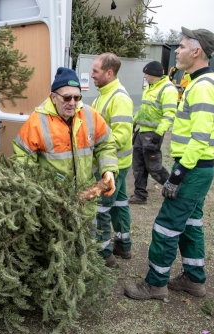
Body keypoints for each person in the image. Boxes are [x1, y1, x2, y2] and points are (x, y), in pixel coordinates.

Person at [124, 27, 214, 300]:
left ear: (196, 50)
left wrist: (177, 174)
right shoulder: (202, 82)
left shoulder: (202, 87)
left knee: (166, 226)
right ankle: (194, 279)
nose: (176, 51)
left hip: (193, 168)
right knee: (191, 223)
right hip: (199, 168)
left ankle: (155, 284)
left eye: (180, 46)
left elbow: (200, 139)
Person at [11, 67, 119, 266]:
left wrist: (108, 169)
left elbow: (106, 143)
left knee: (85, 242)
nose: (73, 103)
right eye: (67, 98)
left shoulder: (89, 115)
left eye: (77, 98)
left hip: (86, 199)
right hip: (54, 202)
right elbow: (22, 159)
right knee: (56, 248)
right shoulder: (37, 122)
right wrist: (36, 189)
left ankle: (84, 274)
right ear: (53, 96)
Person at [90, 52, 134, 265]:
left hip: (111, 166)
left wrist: (93, 145)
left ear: (109, 73)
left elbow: (122, 136)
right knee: (120, 204)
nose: (91, 75)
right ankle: (123, 246)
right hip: (118, 165)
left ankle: (104, 253)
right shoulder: (103, 95)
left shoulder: (119, 98)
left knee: (101, 207)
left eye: (95, 71)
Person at [129, 61, 178, 204]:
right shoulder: (150, 88)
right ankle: (140, 195)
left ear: (155, 74)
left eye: (146, 73)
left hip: (153, 134)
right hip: (141, 132)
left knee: (153, 167)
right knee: (138, 166)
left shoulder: (168, 89)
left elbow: (169, 114)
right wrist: (133, 123)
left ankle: (173, 187)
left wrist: (158, 134)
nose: (144, 76)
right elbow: (144, 110)